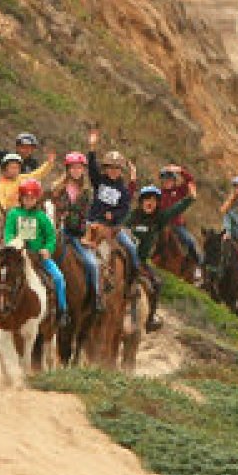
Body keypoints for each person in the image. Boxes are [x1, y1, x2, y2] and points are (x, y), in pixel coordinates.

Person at [0, 178, 68, 325]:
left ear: (37, 199)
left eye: (32, 198)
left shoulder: (42, 217)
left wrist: (48, 249)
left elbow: (51, 236)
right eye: (26, 197)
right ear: (21, 198)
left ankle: (62, 312)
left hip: (38, 256)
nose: (29, 201)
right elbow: (8, 233)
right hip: (16, 255)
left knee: (58, 278)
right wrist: (13, 244)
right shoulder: (13, 214)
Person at [126, 181, 196, 332]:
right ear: (141, 202)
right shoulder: (131, 217)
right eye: (146, 199)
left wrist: (189, 198)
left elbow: (174, 210)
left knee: (156, 284)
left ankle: (150, 318)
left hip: (142, 262)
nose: (150, 203)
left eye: (153, 200)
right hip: (126, 259)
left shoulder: (158, 219)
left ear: (157, 203)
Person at [50, 151, 103, 311]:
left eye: (79, 167)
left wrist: (86, 235)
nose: (76, 170)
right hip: (59, 231)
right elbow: (51, 207)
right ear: (67, 169)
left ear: (83, 170)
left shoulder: (88, 191)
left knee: (92, 264)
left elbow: (88, 215)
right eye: (73, 167)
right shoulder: (57, 188)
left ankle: (95, 299)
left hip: (77, 234)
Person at [84, 129, 141, 274]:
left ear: (121, 171)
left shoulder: (123, 190)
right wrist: (92, 149)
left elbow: (125, 208)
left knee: (131, 248)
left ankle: (133, 278)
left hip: (112, 228)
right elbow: (91, 169)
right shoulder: (99, 181)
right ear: (105, 168)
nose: (113, 171)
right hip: (92, 222)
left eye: (117, 168)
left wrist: (114, 215)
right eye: (110, 167)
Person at [158, 164, 203, 280]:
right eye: (165, 180)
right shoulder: (158, 193)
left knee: (190, 242)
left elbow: (191, 181)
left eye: (170, 180)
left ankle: (199, 268)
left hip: (177, 225)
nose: (167, 182)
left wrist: (180, 170)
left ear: (174, 181)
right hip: (160, 225)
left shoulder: (179, 191)